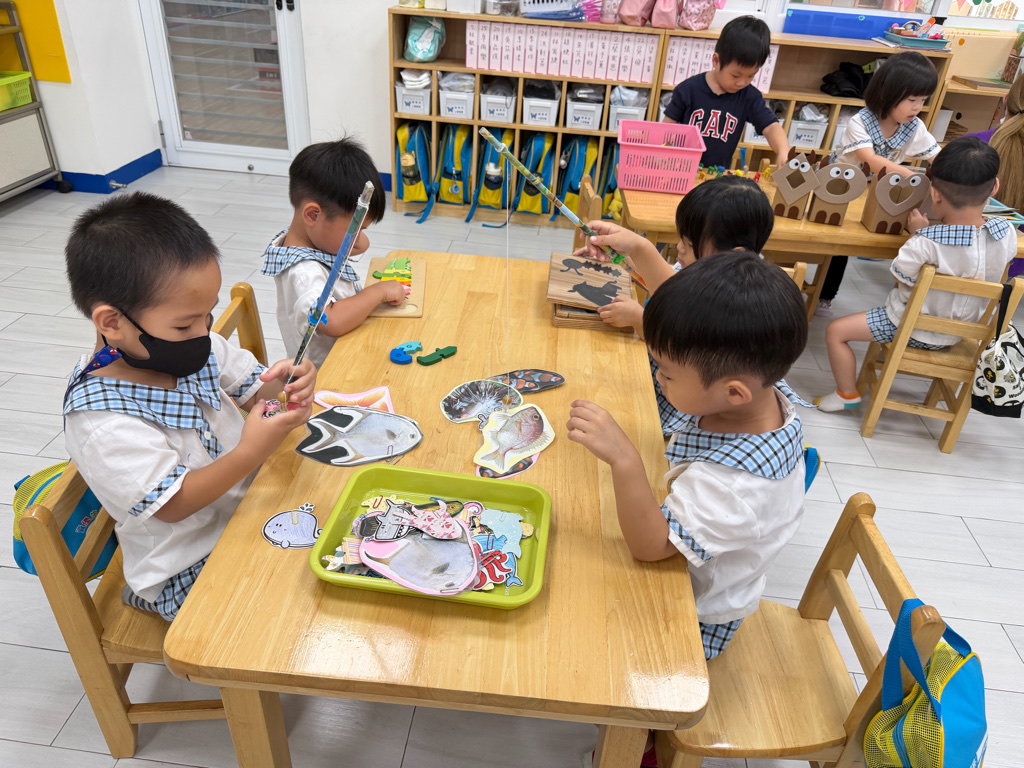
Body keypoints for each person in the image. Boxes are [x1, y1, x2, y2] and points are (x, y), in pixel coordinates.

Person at [63, 192, 316, 621]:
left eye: (208, 315)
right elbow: (175, 504)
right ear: (112, 322)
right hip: (188, 561)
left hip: (249, 502)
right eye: (184, 325)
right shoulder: (101, 424)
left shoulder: (193, 344)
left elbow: (261, 393)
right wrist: (251, 450)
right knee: (289, 615)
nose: (204, 333)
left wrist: (291, 387)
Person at [567, 252, 808, 664]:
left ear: (734, 393)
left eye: (666, 373)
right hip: (693, 559)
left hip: (695, 615)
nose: (659, 377)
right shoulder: (757, 394)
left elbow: (651, 546)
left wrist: (624, 459)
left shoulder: (735, 487)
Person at [815, 137, 1016, 412]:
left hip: (912, 329)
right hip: (963, 332)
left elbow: (900, 279)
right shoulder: (1006, 234)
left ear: (935, 195)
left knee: (836, 331)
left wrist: (916, 234)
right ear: (994, 187)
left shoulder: (925, 243)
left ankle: (846, 394)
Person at [574, 175, 776, 435]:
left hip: (675, 401)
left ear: (732, 255)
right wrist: (621, 256)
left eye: (689, 244)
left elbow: (678, 321)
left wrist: (639, 318)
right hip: (660, 375)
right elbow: (665, 277)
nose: (679, 248)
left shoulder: (733, 302)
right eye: (682, 238)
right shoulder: (706, 269)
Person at [817, 51, 941, 317]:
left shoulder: (914, 127)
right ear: (887, 93)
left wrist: (954, 172)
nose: (918, 107)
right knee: (839, 244)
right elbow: (872, 161)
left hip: (875, 194)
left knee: (873, 236)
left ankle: (828, 294)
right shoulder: (860, 122)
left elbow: (937, 156)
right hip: (840, 189)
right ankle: (824, 294)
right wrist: (913, 176)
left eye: (923, 100)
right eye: (911, 99)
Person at [262, 137, 403, 370]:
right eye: (356, 229)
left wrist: (354, 231)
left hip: (345, 353)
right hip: (325, 376)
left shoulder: (309, 237)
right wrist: (378, 291)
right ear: (313, 215)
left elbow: (360, 244)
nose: (359, 239)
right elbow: (332, 320)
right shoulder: (304, 274)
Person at [662, 16, 790, 168]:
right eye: (735, 75)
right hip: (681, 168)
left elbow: (770, 126)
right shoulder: (688, 90)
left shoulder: (749, 97)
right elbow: (667, 128)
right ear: (716, 61)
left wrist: (783, 150)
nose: (742, 82)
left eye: (751, 76)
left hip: (718, 174)